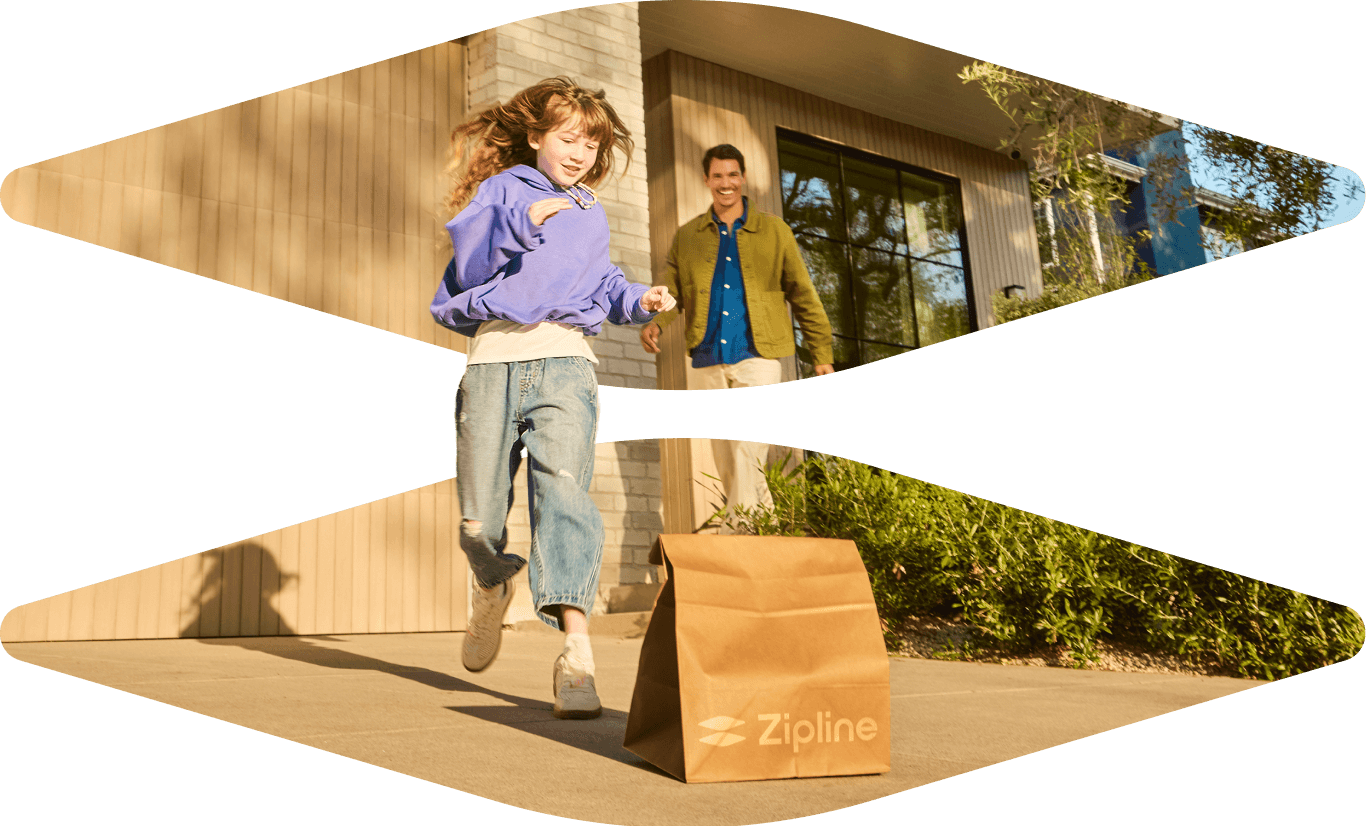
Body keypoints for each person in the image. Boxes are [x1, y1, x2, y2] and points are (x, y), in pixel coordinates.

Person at [430, 77, 675, 719]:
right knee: (477, 520)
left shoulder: (591, 211)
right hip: (494, 362)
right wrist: (523, 219)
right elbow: (467, 266)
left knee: (564, 494)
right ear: (536, 137)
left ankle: (577, 655)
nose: (579, 153)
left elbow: (603, 283)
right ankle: (491, 580)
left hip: (566, 362)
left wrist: (639, 297)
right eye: (567, 139)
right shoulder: (503, 191)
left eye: (590, 144)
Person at [639, 143, 833, 519]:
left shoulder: (774, 231)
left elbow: (803, 294)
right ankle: (767, 532)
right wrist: (657, 323)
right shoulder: (688, 236)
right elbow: (672, 287)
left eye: (732, 175)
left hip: (758, 355)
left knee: (748, 445)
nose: (725, 183)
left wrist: (821, 355)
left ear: (742, 179)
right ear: (706, 180)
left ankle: (737, 532)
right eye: (717, 176)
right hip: (708, 356)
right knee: (727, 456)